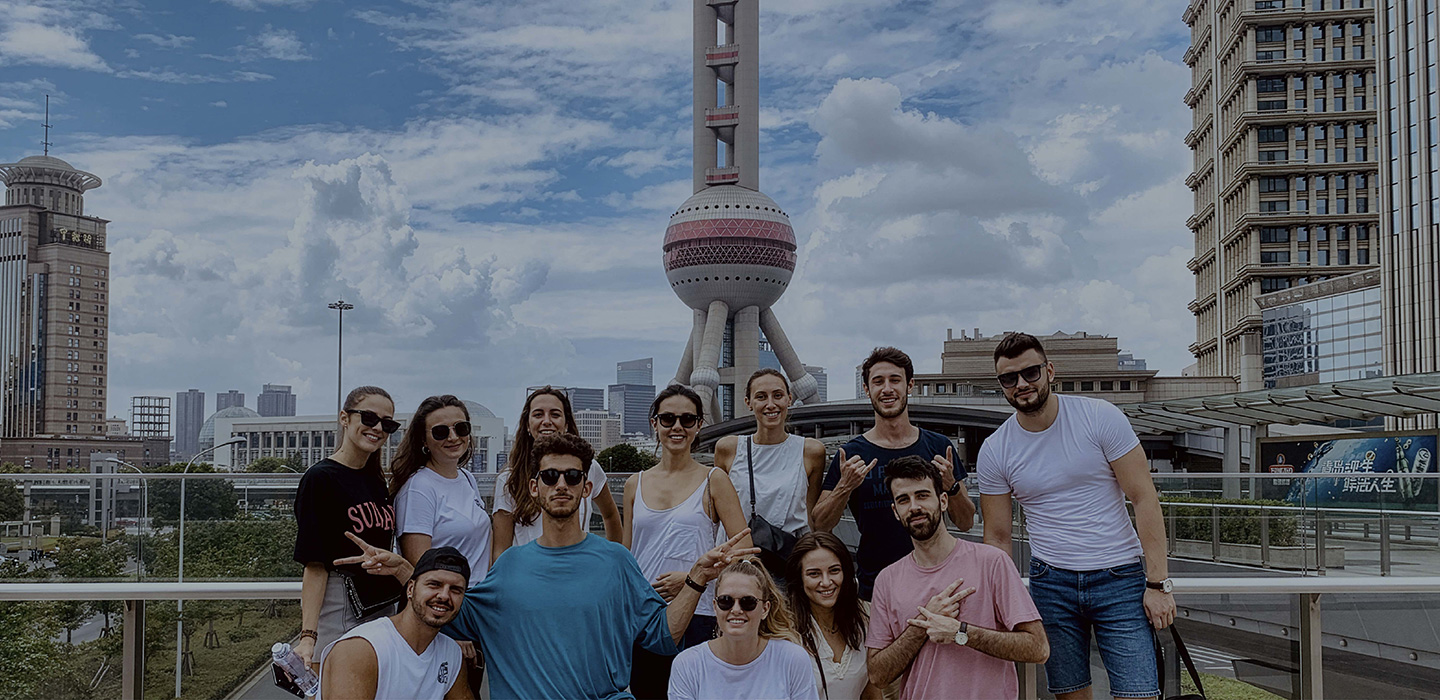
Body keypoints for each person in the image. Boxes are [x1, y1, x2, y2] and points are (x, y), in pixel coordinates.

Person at [345, 432, 760, 700]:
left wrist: (696, 579)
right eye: (550, 477)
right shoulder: (509, 568)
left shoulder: (616, 562)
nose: (561, 484)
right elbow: (452, 614)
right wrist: (405, 571)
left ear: (586, 487)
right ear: (534, 487)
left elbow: (662, 637)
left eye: (572, 477)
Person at [979, 332, 1175, 700]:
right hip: (1051, 583)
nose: (1021, 384)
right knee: (1070, 695)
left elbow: (1144, 497)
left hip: (1120, 578)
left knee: (1139, 694)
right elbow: (998, 537)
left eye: (1031, 372)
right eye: (1009, 378)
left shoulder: (1099, 416)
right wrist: (1001, 603)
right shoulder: (995, 450)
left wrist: (1158, 584)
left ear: (1050, 371)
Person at [867, 456, 1048, 700]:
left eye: (922, 495)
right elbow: (877, 675)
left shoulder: (992, 562)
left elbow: (1038, 648)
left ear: (943, 501)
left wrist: (960, 632)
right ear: (895, 512)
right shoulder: (887, 581)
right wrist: (922, 625)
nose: (914, 507)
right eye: (903, 500)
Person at [813, 347, 976, 600]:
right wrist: (845, 486)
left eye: (895, 380)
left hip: (939, 586)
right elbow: (820, 525)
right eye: (878, 381)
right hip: (876, 591)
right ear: (867, 389)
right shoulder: (851, 454)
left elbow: (966, 523)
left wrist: (951, 485)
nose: (887, 389)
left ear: (909, 385)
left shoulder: (938, 446)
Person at [622, 384, 751, 699]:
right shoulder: (634, 483)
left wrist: (694, 579)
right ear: (654, 424)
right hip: (645, 615)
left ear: (699, 425)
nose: (677, 427)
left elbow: (746, 555)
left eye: (687, 419)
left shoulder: (714, 479)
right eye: (668, 419)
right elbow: (626, 557)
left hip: (700, 614)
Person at [293, 385, 407, 670]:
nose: (377, 428)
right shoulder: (321, 479)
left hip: (382, 605)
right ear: (344, 418)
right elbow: (314, 563)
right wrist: (308, 636)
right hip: (341, 605)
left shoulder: (376, 480)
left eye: (387, 424)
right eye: (369, 418)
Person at [390, 395, 492, 690]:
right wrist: (448, 632)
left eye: (461, 428)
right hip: (445, 618)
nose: (453, 437)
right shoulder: (419, 488)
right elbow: (419, 570)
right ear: (424, 440)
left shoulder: (467, 479)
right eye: (440, 431)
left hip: (471, 611)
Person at [317, 545, 472, 700]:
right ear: (410, 589)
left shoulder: (451, 653)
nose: (444, 596)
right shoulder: (360, 648)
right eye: (434, 584)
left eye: (455, 590)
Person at [715, 369, 827, 575]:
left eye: (778, 395)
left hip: (789, 563)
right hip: (738, 565)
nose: (771, 404)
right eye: (761, 397)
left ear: (789, 399)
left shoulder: (811, 451)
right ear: (748, 402)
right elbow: (717, 515)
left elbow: (809, 516)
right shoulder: (728, 449)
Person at [492, 386, 621, 555]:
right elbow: (501, 549)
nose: (547, 421)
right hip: (532, 569)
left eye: (555, 414)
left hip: (581, 567)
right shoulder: (510, 479)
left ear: (566, 424)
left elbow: (610, 515)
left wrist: (614, 559)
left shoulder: (589, 468)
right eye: (538, 414)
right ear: (527, 425)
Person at [668, 558, 819, 700]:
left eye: (748, 602)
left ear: (765, 609)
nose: (736, 610)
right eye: (726, 601)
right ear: (715, 606)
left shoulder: (792, 658)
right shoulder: (688, 664)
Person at [785, 533, 881, 700]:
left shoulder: (865, 616)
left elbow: (871, 692)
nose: (826, 582)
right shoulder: (785, 631)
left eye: (834, 570)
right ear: (799, 578)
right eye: (814, 574)